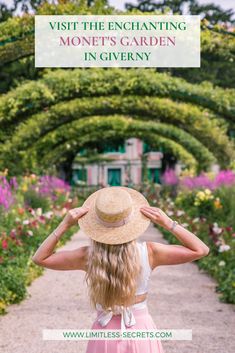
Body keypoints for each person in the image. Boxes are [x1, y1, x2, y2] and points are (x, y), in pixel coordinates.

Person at [32, 186, 209, 353]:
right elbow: (200, 250)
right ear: (132, 222)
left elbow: (40, 258)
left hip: (104, 333)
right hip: (141, 330)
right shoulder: (150, 252)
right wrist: (169, 223)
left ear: (96, 223)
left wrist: (64, 224)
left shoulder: (87, 257)